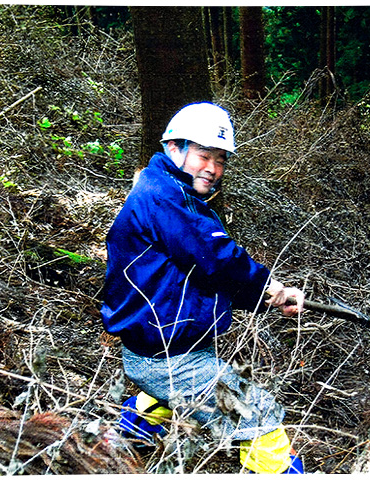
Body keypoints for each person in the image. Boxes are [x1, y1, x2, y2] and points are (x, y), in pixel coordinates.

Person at [101, 102, 305, 474]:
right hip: (167, 356)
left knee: (174, 385)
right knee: (257, 413)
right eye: (204, 155)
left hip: (161, 350)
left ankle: (133, 431)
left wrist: (268, 298)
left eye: (221, 160)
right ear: (174, 147)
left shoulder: (166, 192)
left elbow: (204, 274)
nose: (213, 168)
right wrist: (267, 284)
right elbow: (216, 257)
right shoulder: (167, 198)